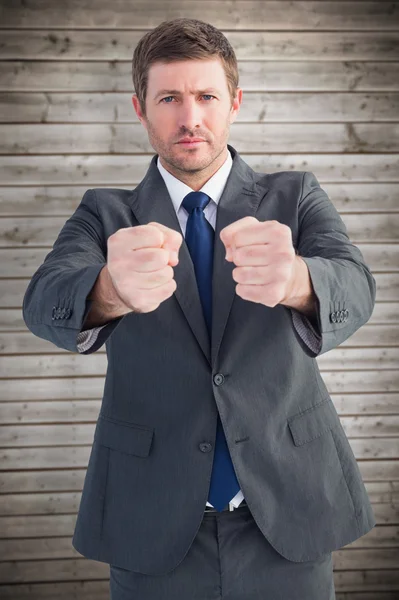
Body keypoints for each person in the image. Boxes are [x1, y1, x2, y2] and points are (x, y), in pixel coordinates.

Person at [22, 17, 377, 600]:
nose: (190, 118)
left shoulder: (296, 196)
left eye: (206, 96)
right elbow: (42, 301)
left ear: (234, 101)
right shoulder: (105, 214)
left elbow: (358, 286)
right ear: (140, 108)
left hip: (289, 514)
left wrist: (298, 280)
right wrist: (108, 288)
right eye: (170, 98)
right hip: (151, 524)